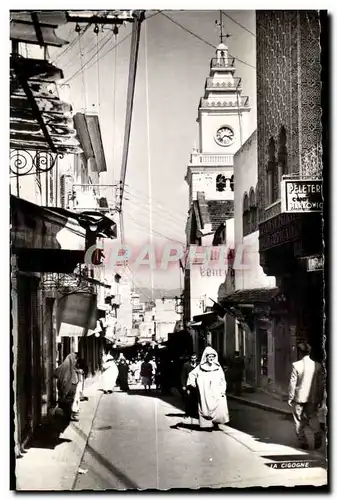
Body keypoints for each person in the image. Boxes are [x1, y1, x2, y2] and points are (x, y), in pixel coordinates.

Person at [288, 342, 324, 450]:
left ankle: (303, 442)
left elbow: (292, 383)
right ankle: (317, 436)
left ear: (300, 352)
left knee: (298, 420)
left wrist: (290, 397)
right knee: (313, 417)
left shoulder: (296, 365)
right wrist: (320, 398)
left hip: (299, 397)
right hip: (312, 397)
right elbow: (320, 384)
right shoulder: (317, 366)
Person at [187, 346, 229, 431]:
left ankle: (216, 422)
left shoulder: (218, 367)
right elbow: (192, 374)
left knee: (218, 406)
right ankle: (206, 425)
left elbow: (222, 379)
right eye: (209, 356)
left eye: (213, 357)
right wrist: (193, 384)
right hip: (205, 392)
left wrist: (222, 390)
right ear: (206, 357)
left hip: (216, 391)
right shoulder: (200, 367)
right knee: (205, 408)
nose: (211, 358)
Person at [54, 352, 80, 421]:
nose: (75, 361)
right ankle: (68, 417)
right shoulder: (67, 366)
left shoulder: (67, 365)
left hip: (69, 388)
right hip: (68, 389)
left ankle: (68, 416)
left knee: (69, 402)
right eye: (74, 359)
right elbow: (58, 374)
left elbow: (56, 372)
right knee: (68, 402)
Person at [181, 353, 198, 418]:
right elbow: (183, 376)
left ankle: (194, 413)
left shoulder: (198, 365)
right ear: (190, 358)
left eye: (194, 358)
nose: (193, 359)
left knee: (195, 399)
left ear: (196, 358)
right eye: (192, 358)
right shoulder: (186, 365)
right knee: (188, 399)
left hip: (196, 385)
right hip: (188, 385)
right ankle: (187, 413)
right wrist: (183, 385)